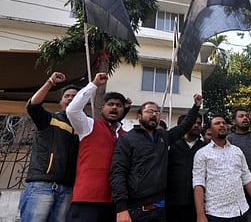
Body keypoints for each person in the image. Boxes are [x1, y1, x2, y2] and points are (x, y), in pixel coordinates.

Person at [110, 94, 202, 222]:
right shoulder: (127, 139)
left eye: (157, 112)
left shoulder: (163, 137)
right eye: (149, 111)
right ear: (139, 116)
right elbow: (118, 172)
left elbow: (183, 127)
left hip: (160, 209)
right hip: (135, 210)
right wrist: (121, 208)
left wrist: (196, 106)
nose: (154, 114)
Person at [65, 73, 129, 222]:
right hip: (87, 199)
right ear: (102, 107)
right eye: (110, 104)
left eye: (119, 105)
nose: (114, 107)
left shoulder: (126, 135)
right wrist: (94, 84)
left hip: (116, 202)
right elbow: (72, 110)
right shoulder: (88, 125)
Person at [19, 72, 80, 222]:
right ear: (61, 101)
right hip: (42, 186)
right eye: (67, 96)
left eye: (76, 96)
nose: (71, 98)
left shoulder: (84, 127)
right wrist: (50, 82)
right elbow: (33, 106)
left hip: (67, 189)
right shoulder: (50, 119)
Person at [193, 115, 251, 222]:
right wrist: (200, 214)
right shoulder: (202, 154)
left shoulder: (237, 151)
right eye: (217, 123)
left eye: (223, 123)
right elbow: (198, 184)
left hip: (241, 210)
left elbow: (247, 177)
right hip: (216, 213)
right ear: (209, 129)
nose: (222, 125)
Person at [165, 113, 206, 222]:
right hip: (173, 202)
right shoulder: (170, 145)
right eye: (193, 122)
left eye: (199, 123)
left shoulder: (205, 148)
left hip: (196, 204)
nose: (197, 125)